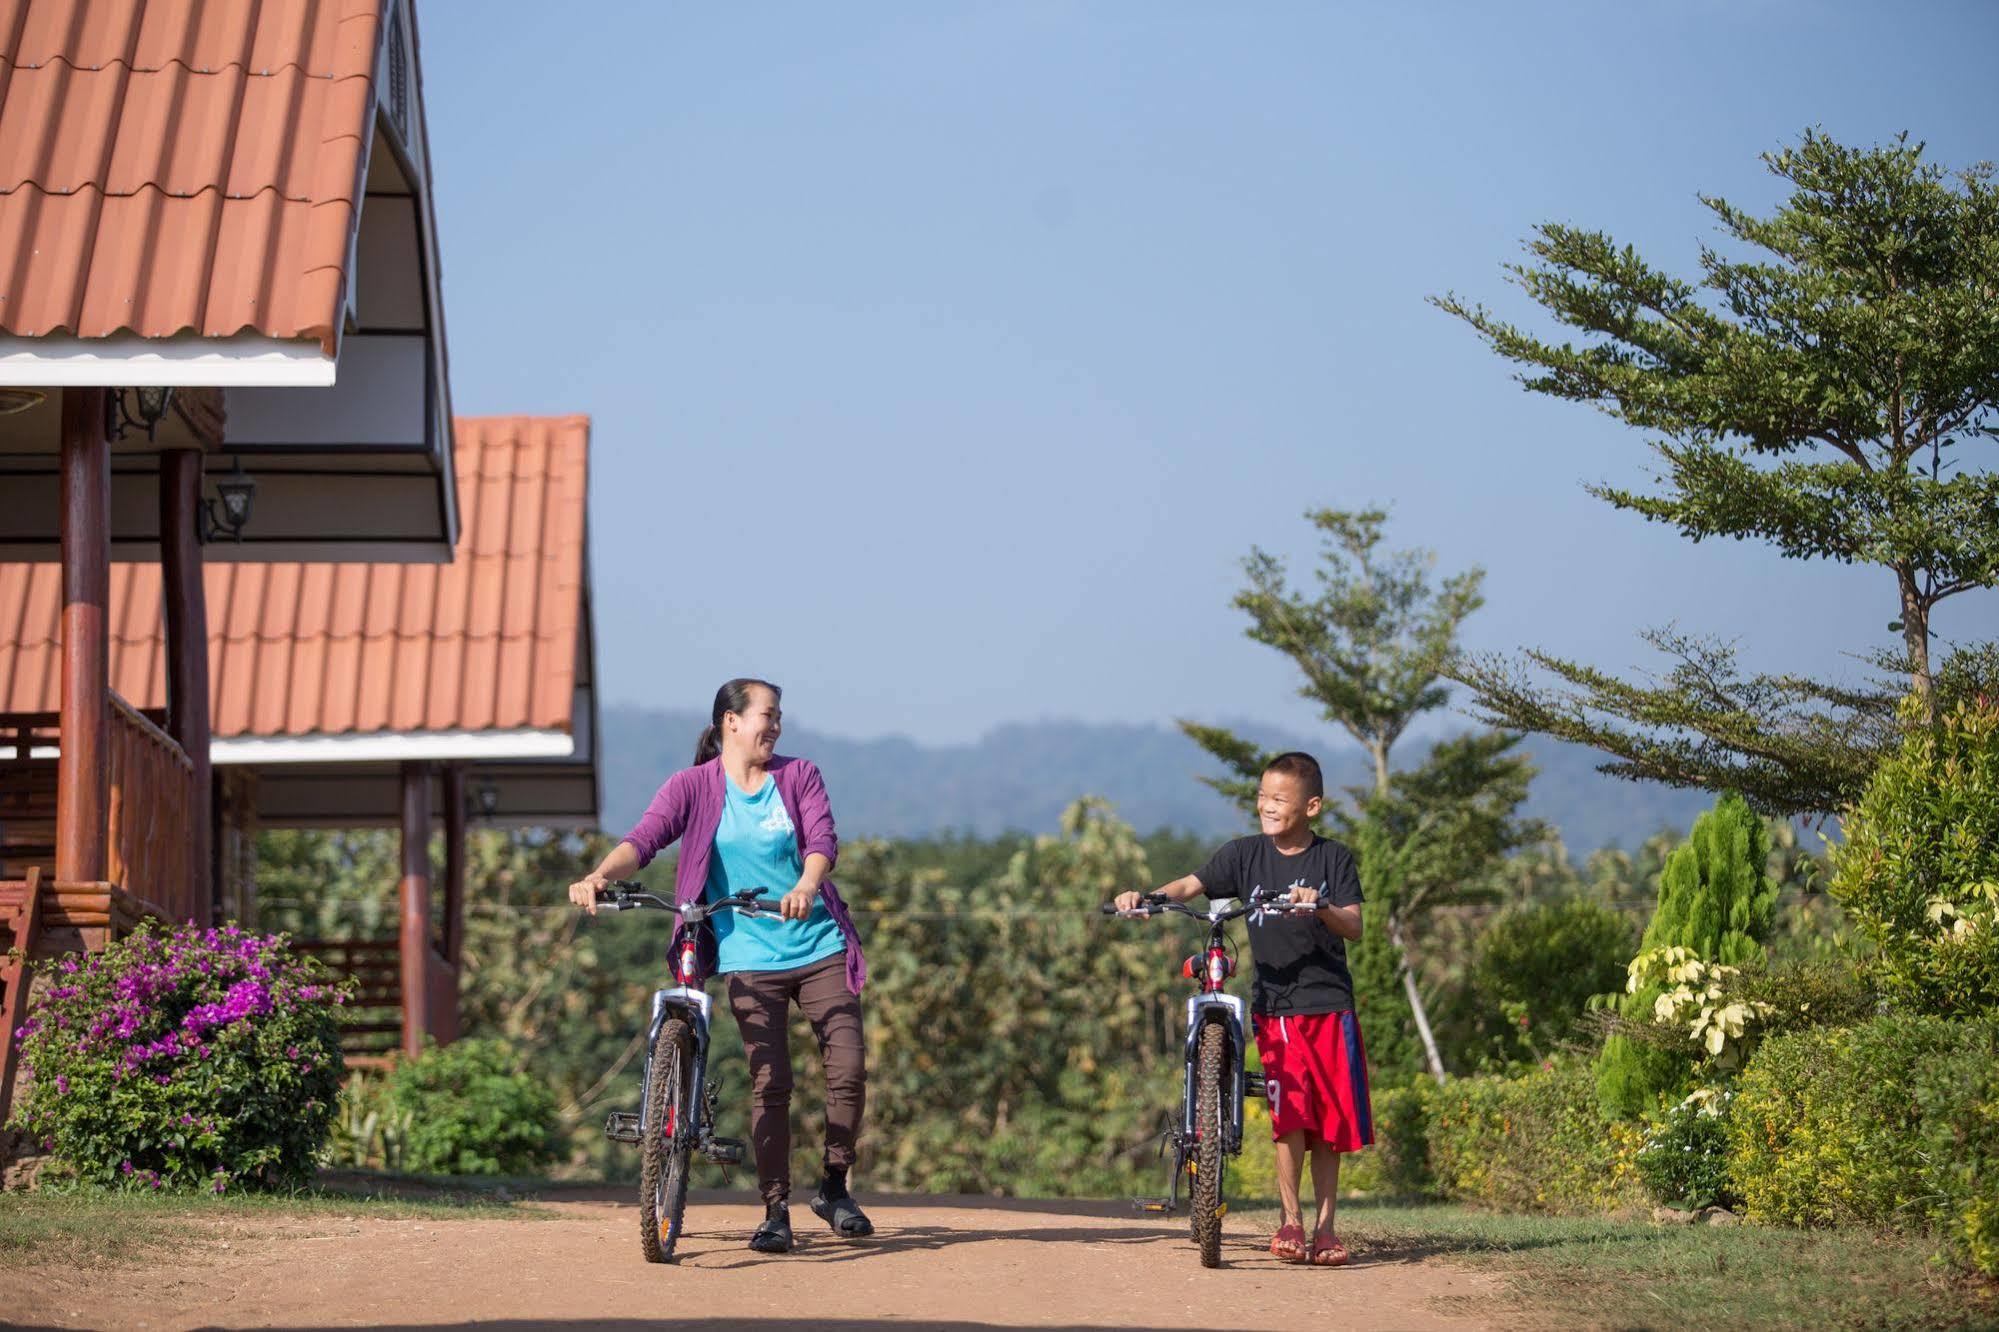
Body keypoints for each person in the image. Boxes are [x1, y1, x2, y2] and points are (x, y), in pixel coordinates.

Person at [569, 678, 873, 1253]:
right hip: (749, 957)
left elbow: (823, 841)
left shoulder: (799, 775)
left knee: (848, 1068)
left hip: (817, 945)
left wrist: (807, 885)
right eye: (767, 714)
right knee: (771, 1080)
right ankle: (775, 1208)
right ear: (730, 722)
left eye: (779, 716)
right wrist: (601, 876)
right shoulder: (693, 786)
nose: (776, 725)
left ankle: (834, 1186)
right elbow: (645, 839)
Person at [1112, 751, 1369, 1266]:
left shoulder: (1332, 859)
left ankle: (1326, 1229)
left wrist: (1317, 904)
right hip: (1275, 1006)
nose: (1267, 806)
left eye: (1279, 798)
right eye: (1262, 796)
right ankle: (1291, 1223)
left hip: (1329, 1005)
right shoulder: (1245, 854)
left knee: (1327, 1126)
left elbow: (1354, 924)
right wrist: (1146, 897)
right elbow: (1192, 884)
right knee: (1290, 1117)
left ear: (1312, 806)